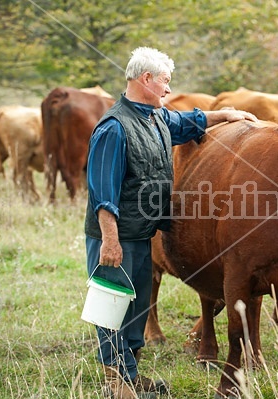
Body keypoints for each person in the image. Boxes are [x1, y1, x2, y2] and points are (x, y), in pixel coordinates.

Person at [84, 46, 258, 398]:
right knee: (113, 305)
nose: (168, 89)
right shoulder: (114, 128)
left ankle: (130, 376)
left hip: (142, 232)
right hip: (117, 237)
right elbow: (102, 193)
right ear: (146, 79)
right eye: (165, 81)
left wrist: (227, 113)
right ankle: (116, 384)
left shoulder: (155, 118)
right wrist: (110, 241)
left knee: (134, 307)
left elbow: (188, 122)